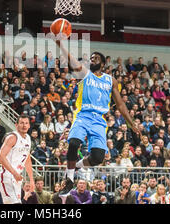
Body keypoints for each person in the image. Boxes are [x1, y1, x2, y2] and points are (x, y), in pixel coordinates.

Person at [56, 38, 139, 195]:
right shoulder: (84, 73)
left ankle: (77, 166)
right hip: (83, 115)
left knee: (98, 157)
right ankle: (69, 177)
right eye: (91, 58)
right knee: (74, 142)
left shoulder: (110, 80)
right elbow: (71, 59)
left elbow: (120, 105)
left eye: (95, 58)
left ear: (103, 64)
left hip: (99, 120)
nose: (92, 60)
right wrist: (60, 43)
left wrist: (131, 124)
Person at [0, 115, 34, 204]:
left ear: (29, 126)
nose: (24, 125)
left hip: (17, 178)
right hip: (7, 176)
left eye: (26, 123)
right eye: (21, 123)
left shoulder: (28, 138)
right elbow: (1, 157)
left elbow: (27, 159)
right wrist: (14, 173)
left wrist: (31, 179)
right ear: (16, 125)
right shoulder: (12, 137)